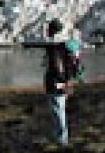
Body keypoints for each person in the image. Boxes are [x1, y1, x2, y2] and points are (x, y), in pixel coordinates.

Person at [24, 18, 82, 146]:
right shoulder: (67, 45)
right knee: (59, 110)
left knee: (58, 110)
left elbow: (57, 67)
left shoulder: (54, 48)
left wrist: (58, 81)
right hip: (64, 83)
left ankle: (61, 139)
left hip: (56, 83)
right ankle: (60, 137)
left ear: (52, 31)